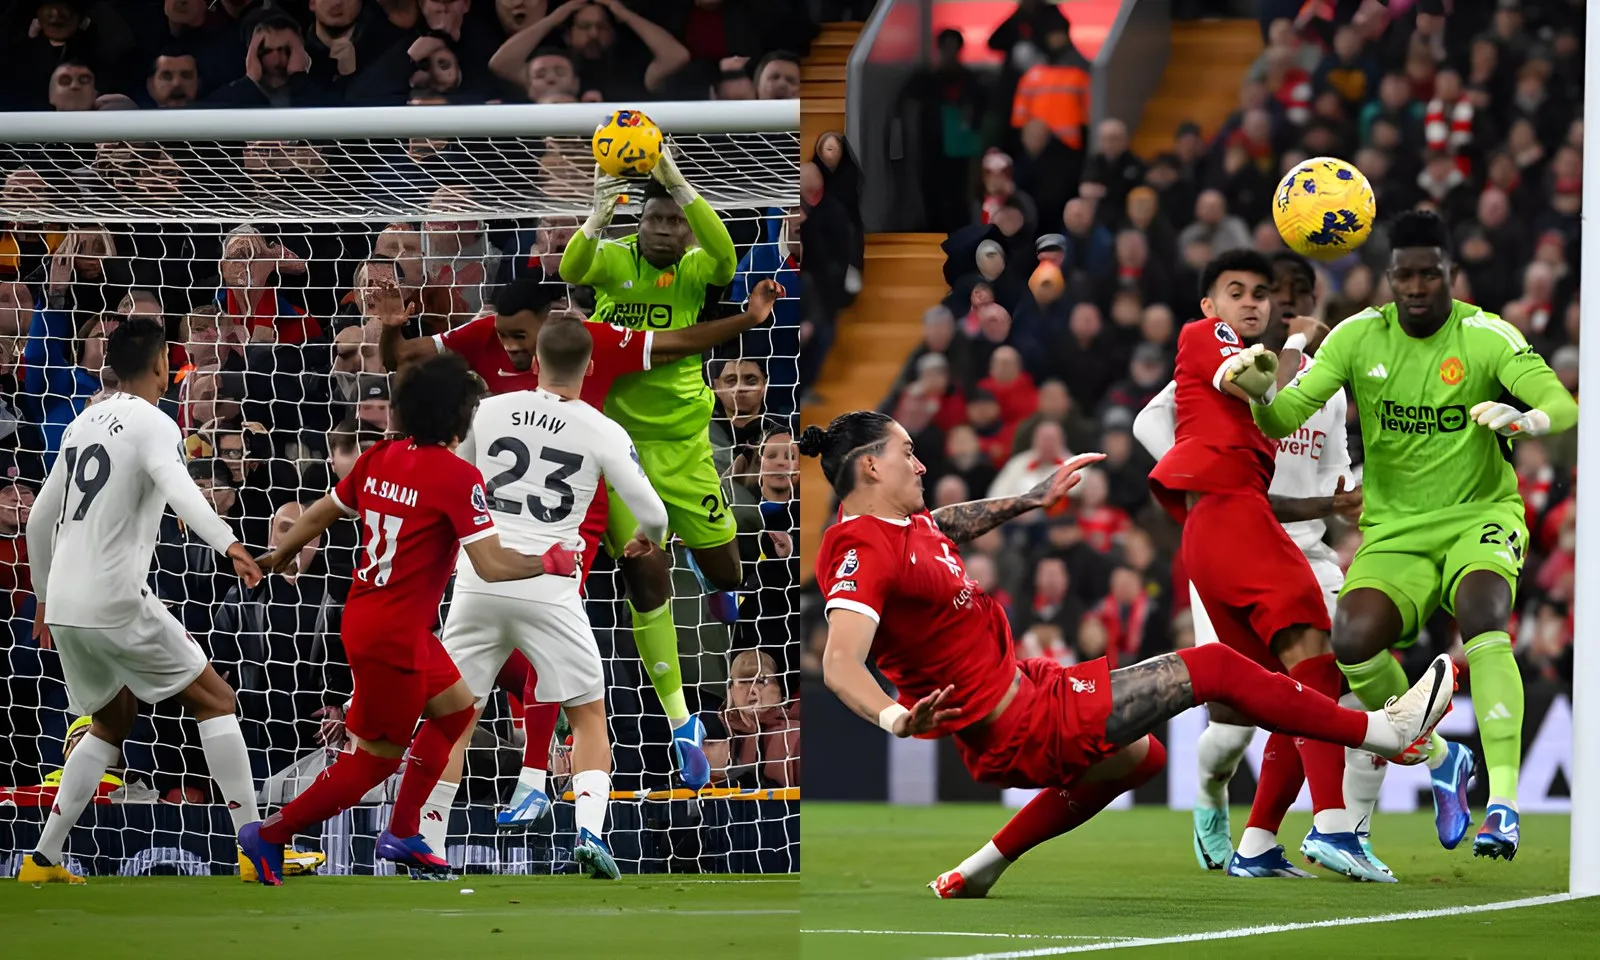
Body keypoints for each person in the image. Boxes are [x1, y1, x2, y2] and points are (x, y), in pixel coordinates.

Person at [803, 410, 1454, 898]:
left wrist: (1030, 500)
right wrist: (895, 718)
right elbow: (839, 663)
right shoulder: (859, 550)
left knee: (1141, 760)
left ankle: (982, 867)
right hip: (1019, 722)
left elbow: (949, 523)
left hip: (1026, 689)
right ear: (869, 466)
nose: (920, 464)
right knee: (1215, 668)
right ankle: (1383, 729)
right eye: (907, 453)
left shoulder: (909, 524)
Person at [1244, 210, 1579, 862]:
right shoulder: (1356, 338)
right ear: (1388, 278)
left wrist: (1523, 416)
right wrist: (1261, 390)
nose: (1418, 286)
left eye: (1431, 274)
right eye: (1405, 275)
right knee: (1353, 641)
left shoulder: (1486, 336)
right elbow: (1284, 415)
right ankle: (1439, 755)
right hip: (1396, 529)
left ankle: (1505, 805)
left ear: (1450, 274)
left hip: (1480, 513)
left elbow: (1564, 405)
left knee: (1483, 617)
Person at [380, 275, 781, 810]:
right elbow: (400, 357)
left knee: (643, 584)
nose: (511, 347)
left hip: (578, 511)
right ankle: (536, 782)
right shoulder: (483, 337)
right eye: (505, 336)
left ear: (552, 325)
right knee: (533, 657)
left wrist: (750, 321)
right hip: (507, 520)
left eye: (521, 335)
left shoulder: (593, 341)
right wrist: (390, 326)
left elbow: (676, 344)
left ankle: (507, 789)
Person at [237, 353, 576, 885]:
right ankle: (271, 834)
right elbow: (489, 565)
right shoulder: (458, 477)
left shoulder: (382, 456)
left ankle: (403, 830)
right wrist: (547, 561)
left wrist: (282, 552)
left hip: (377, 619)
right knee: (372, 762)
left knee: (457, 710)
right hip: (393, 637)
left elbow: (325, 509)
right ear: (459, 417)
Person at [1134, 251, 1388, 874]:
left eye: (1273, 295)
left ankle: (1290, 837)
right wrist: (1197, 461)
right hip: (1234, 522)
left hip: (1297, 543)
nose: (1266, 303)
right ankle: (1217, 794)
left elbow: (1331, 475)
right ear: (1216, 303)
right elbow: (1206, 395)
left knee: (1308, 682)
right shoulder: (1218, 343)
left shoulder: (1320, 386)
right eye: (1245, 292)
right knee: (1236, 717)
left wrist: (1346, 505)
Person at [389, 319, 670, 880]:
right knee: (589, 715)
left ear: (534, 363)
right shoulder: (602, 429)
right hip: (551, 587)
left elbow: (453, 472)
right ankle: (589, 834)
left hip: (480, 580)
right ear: (590, 369)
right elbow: (655, 515)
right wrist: (648, 540)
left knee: (455, 715)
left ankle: (430, 842)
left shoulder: (488, 411)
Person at [19, 318, 265, 885]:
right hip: (115, 598)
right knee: (218, 698)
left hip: (64, 603)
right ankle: (255, 849)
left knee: (111, 720)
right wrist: (230, 543)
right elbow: (181, 489)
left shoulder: (81, 424)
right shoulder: (156, 423)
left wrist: (41, 596)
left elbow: (37, 518)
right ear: (161, 366)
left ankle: (43, 861)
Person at [560, 148, 742, 789]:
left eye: (675, 222)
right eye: (655, 220)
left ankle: (712, 569)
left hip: (687, 443)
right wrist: (599, 208)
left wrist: (676, 180)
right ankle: (682, 720)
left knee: (725, 569)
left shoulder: (696, 271)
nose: (666, 230)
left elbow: (725, 259)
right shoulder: (614, 262)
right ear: (638, 224)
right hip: (619, 449)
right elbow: (571, 265)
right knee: (644, 573)